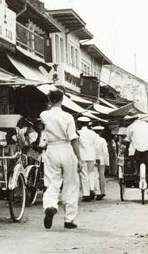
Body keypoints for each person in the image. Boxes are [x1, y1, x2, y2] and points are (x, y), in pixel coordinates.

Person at [39, 89, 81, 229]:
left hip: (51, 149)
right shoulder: (68, 116)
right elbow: (73, 138)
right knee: (71, 184)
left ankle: (50, 206)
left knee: (52, 182)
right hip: (66, 149)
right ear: (62, 100)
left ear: (49, 100)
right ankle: (69, 219)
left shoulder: (44, 115)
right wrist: (79, 158)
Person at [125, 113, 148, 195]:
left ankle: (137, 172)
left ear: (131, 119)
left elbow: (128, 138)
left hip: (138, 148)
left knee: (137, 160)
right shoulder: (146, 124)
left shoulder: (130, 127)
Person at [77, 116, 97, 202]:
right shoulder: (93, 133)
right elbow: (95, 144)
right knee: (91, 173)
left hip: (82, 155)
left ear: (79, 123)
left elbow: (77, 144)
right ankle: (91, 188)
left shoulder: (78, 133)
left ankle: (86, 194)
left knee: (84, 175)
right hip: (91, 155)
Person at [92, 126, 109, 200]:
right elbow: (105, 152)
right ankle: (102, 192)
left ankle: (96, 192)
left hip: (93, 159)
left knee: (94, 176)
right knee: (101, 176)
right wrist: (107, 163)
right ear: (101, 132)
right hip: (101, 160)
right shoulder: (102, 140)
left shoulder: (91, 139)